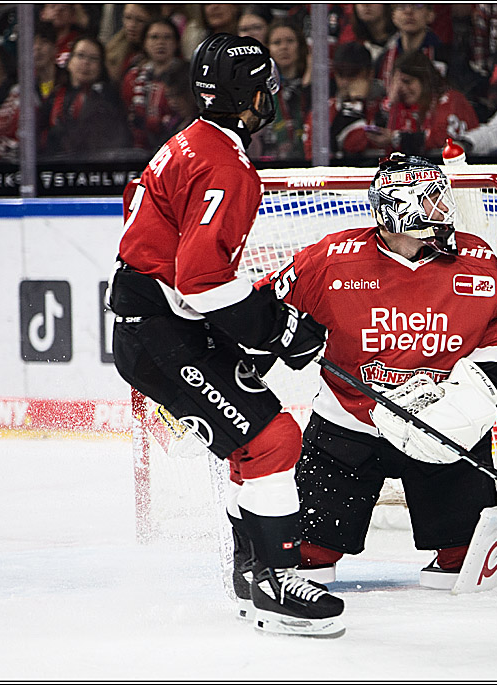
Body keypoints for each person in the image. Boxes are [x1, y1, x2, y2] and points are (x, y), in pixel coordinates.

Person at [107, 33, 345, 639]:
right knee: (271, 440)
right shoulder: (227, 165)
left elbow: (180, 271)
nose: (271, 95)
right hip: (162, 334)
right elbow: (202, 279)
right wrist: (279, 327)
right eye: (264, 84)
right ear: (247, 95)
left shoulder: (189, 143)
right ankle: (273, 577)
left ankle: (252, 569)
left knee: (260, 441)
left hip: (163, 325)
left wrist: (261, 330)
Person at [254, 153, 497, 588]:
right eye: (432, 200)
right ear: (396, 209)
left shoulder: (477, 261)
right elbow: (261, 312)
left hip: (443, 425)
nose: (445, 211)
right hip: (349, 423)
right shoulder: (332, 260)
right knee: (309, 556)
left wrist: (477, 395)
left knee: (462, 559)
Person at [367, 50, 479, 157]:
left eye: (407, 82)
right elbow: (373, 138)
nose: (401, 89)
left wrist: (396, 138)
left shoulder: (451, 99)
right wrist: (390, 103)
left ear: (424, 80)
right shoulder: (403, 106)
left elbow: (442, 139)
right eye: (397, 83)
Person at [38, 36, 130, 161]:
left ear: (101, 66)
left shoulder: (109, 98)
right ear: (69, 62)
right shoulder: (54, 97)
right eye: (80, 56)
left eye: (93, 59)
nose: (86, 63)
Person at [302, 40, 386, 161]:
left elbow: (356, 145)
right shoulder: (322, 112)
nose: (346, 82)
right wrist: (355, 104)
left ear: (370, 74)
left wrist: (357, 102)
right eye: (341, 74)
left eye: (353, 74)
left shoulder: (385, 107)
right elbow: (312, 157)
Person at [121, 17, 192, 153]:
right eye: (154, 37)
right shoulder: (132, 78)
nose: (161, 43)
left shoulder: (188, 75)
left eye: (167, 37)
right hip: (139, 150)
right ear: (144, 43)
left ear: (176, 43)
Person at [249, 20, 309, 162]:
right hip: (269, 163)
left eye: (290, 41)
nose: (284, 47)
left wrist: (308, 87)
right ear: (268, 48)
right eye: (277, 43)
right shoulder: (259, 90)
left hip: (307, 163)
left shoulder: (311, 87)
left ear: (300, 46)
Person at [104, 3, 155, 84]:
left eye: (140, 20)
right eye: (128, 18)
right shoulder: (112, 49)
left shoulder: (156, 56)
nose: (132, 25)